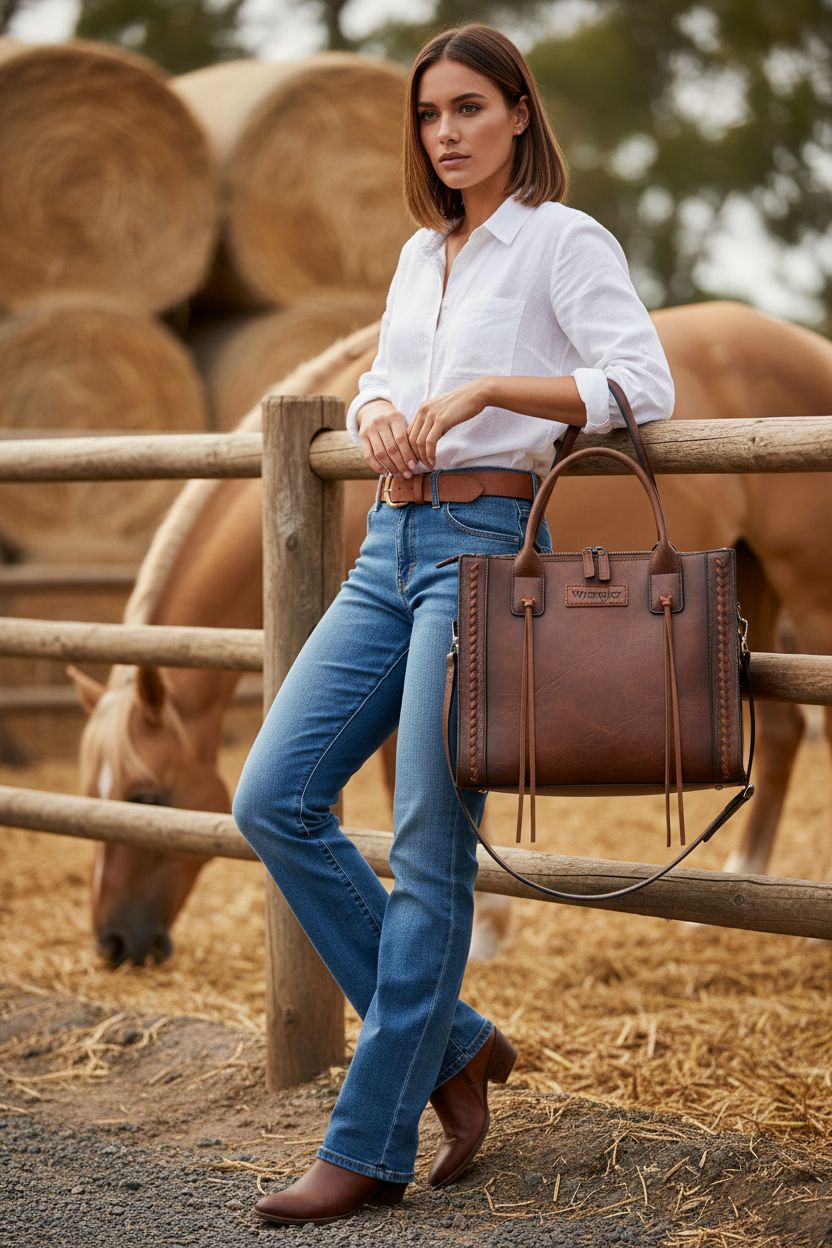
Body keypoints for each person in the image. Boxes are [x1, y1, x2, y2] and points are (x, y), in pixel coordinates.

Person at [232, 19, 675, 1227]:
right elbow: (385, 370)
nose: (449, 133)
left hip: (484, 550)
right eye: (431, 115)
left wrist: (485, 391)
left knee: (427, 844)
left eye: (470, 108)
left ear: (519, 113)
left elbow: (640, 381)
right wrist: (380, 408)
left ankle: (367, 1144)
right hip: (388, 544)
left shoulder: (562, 242)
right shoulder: (419, 255)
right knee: (272, 797)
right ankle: (458, 1042)